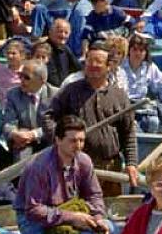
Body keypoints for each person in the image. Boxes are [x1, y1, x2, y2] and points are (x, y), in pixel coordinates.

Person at [45, 42, 138, 192]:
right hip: (77, 166)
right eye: (89, 61)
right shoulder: (70, 91)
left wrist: (131, 163)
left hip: (110, 167)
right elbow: (48, 117)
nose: (93, 65)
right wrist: (60, 142)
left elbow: (128, 132)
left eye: (98, 62)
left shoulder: (119, 96)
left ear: (109, 66)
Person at [13, 115, 111, 234]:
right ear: (58, 140)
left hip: (66, 209)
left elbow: (94, 195)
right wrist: (72, 217)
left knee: (109, 230)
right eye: (73, 141)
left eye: (82, 140)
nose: (78, 145)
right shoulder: (39, 166)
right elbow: (34, 210)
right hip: (32, 218)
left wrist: (97, 218)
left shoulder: (84, 161)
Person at [122, 33, 162, 133]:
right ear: (129, 50)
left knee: (153, 121)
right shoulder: (120, 66)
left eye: (141, 50)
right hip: (123, 106)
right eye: (134, 49)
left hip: (142, 106)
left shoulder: (149, 67)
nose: (138, 53)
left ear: (146, 53)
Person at [2, 60, 52, 160]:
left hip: (49, 139)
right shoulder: (13, 94)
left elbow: (57, 124)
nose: (22, 80)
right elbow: (8, 123)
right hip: (22, 142)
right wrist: (15, 134)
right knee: (22, 160)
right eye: (20, 75)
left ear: (42, 80)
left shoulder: (55, 95)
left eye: (26, 77)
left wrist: (34, 134)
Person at [44, 17, 80, 88]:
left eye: (66, 33)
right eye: (60, 31)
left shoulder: (65, 49)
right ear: (50, 32)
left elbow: (78, 68)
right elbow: (51, 78)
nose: (63, 35)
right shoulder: (44, 49)